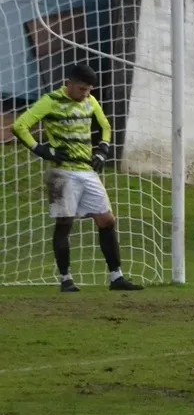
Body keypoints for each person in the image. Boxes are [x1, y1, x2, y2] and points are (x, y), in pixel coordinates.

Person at [11, 63, 143, 293]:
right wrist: (40, 149)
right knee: (64, 224)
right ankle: (66, 279)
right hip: (62, 172)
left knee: (107, 220)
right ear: (69, 83)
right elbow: (19, 125)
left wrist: (102, 149)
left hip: (87, 171)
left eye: (89, 89)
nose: (86, 94)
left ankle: (116, 278)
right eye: (82, 89)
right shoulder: (50, 101)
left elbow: (105, 125)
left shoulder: (90, 101)